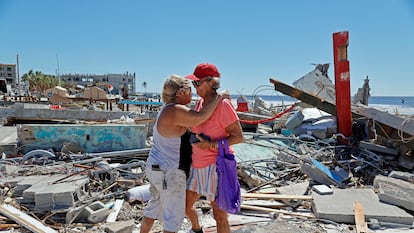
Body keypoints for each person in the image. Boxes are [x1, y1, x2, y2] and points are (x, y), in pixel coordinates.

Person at [140, 74, 225, 233]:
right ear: (179, 93)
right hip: (169, 173)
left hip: (156, 168)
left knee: (154, 206)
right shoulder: (175, 110)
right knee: (172, 218)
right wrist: (219, 97)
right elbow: (200, 117)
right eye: (189, 89)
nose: (192, 93)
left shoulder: (165, 109)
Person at [184, 63, 244, 233]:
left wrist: (210, 144)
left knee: (219, 216)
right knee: (185, 206)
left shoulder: (224, 106)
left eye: (197, 83)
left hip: (216, 167)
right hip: (197, 166)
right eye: (193, 83)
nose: (194, 87)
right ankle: (197, 229)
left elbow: (238, 137)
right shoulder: (201, 103)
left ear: (211, 82)